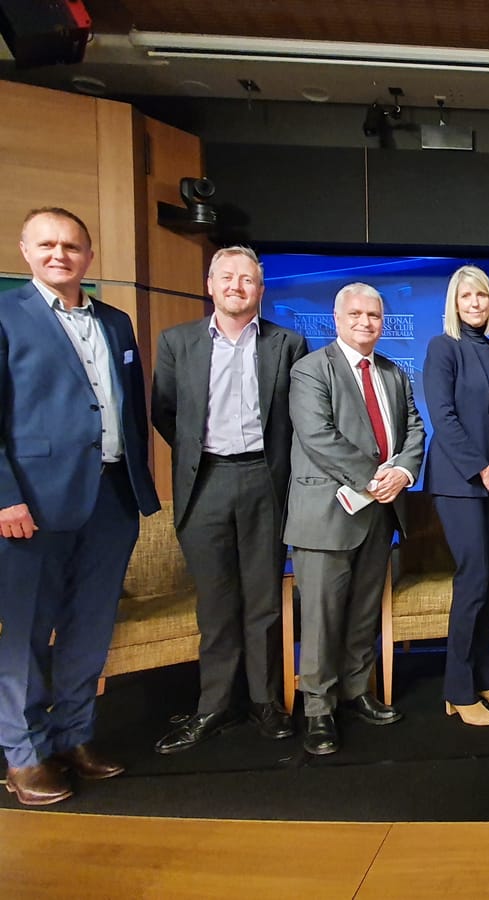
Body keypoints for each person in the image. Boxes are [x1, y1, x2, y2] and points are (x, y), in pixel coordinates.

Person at [0, 208, 159, 805]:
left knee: (89, 629)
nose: (59, 254)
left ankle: (72, 736)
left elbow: (128, 409)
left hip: (112, 496)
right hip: (31, 506)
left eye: (71, 245)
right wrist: (5, 497)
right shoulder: (6, 314)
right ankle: (23, 753)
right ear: (25, 250)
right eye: (47, 244)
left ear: (89, 256)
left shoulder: (115, 322)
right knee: (26, 633)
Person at [151, 246, 308, 754]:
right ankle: (215, 704)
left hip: (266, 480)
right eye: (228, 278)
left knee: (263, 599)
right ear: (210, 285)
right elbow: (166, 412)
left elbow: (298, 419)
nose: (238, 286)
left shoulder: (289, 343)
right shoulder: (178, 342)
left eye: (248, 279)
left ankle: (265, 701)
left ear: (261, 290)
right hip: (206, 483)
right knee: (216, 603)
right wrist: (203, 456)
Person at [285, 283, 425, 755]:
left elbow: (414, 428)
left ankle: (356, 690)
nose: (366, 322)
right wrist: (374, 477)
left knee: (364, 611)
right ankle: (318, 711)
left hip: (380, 513)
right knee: (321, 617)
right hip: (327, 514)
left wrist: (402, 472)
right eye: (356, 314)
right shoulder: (310, 369)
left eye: (374, 315)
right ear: (337, 317)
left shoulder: (393, 372)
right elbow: (317, 435)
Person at [424, 265, 489, 727]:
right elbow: (443, 419)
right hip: (458, 482)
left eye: (482, 296)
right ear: (455, 302)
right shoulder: (443, 348)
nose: (476, 304)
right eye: (467, 297)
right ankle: (457, 690)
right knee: (474, 578)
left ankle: (486, 680)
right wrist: (480, 469)